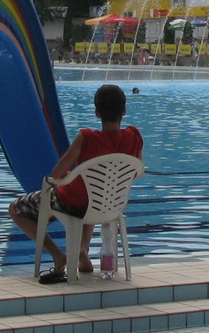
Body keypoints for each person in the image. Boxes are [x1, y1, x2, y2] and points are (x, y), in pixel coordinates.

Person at [9, 83, 142, 284]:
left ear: (97, 113)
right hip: (109, 203)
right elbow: (135, 170)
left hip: (74, 202)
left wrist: (73, 175)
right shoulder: (134, 137)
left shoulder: (87, 137)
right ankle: (82, 251)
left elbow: (57, 173)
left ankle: (58, 255)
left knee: (16, 208)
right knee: (91, 194)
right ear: (124, 111)